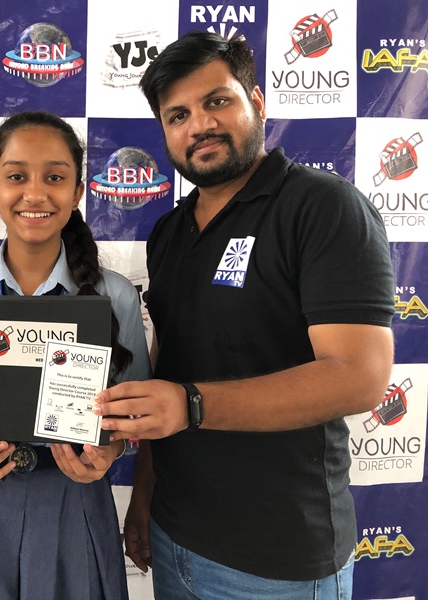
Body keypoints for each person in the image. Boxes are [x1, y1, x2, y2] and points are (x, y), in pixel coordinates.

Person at [93, 31, 395, 599]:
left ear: (256, 101)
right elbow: (168, 364)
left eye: (217, 101)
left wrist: (193, 404)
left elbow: (360, 377)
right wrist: (146, 492)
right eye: (178, 115)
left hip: (279, 562)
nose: (199, 125)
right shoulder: (169, 231)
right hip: (175, 537)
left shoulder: (322, 205)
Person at [0, 110, 152, 599]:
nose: (36, 194)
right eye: (17, 176)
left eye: (55, 178)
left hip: (74, 500)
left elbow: (132, 419)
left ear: (78, 192)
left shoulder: (117, 297)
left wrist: (108, 452)